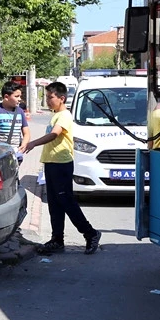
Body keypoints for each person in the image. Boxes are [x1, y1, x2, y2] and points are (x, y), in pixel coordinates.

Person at [20, 81, 101, 255]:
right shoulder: (56, 114)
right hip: (51, 163)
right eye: (47, 97)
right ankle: (57, 239)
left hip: (61, 164)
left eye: (51, 97)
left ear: (61, 98)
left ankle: (91, 233)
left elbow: (54, 134)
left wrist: (33, 143)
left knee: (66, 201)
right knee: (55, 204)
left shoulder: (64, 115)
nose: (48, 100)